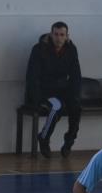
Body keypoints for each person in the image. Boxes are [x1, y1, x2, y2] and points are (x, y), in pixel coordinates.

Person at [25, 21, 82, 159]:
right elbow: (32, 76)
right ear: (51, 34)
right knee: (57, 107)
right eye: (56, 34)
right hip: (45, 91)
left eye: (62, 35)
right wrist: (37, 98)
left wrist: (75, 94)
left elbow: (76, 75)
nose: (58, 38)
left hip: (63, 89)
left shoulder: (71, 49)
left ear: (67, 36)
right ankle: (43, 137)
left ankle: (69, 141)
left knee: (76, 107)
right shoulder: (39, 49)